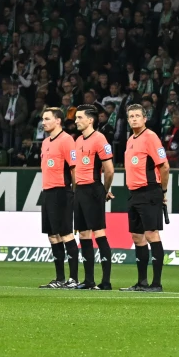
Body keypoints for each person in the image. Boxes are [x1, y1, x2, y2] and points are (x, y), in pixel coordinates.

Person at [122, 103, 170, 292]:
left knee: (151, 234)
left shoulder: (150, 137)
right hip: (134, 193)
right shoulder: (130, 139)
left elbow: (164, 166)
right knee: (137, 237)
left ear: (145, 118)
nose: (133, 118)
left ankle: (156, 283)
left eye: (137, 116)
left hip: (149, 191)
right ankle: (141, 282)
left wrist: (163, 191)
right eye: (130, 116)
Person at [70, 105, 116, 290]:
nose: (76, 120)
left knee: (99, 233)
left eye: (79, 117)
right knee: (83, 234)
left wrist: (104, 190)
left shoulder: (99, 139)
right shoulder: (78, 140)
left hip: (94, 188)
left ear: (90, 120)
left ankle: (105, 282)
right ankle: (88, 280)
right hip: (80, 191)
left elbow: (109, 169)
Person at [37, 107, 77, 289]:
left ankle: (73, 278)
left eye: (47, 119)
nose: (43, 122)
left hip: (62, 191)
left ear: (58, 121)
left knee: (66, 233)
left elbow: (74, 168)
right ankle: (60, 278)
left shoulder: (67, 140)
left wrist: (74, 193)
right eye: (43, 119)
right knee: (53, 236)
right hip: (48, 192)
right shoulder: (45, 142)